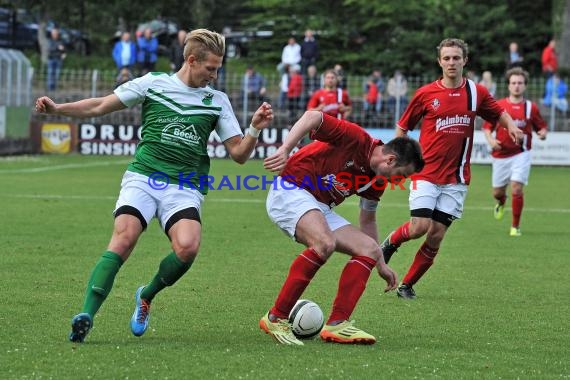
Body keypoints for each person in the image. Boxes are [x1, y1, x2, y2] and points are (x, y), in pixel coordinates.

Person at [34, 28, 274, 343]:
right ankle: (86, 317)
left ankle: (146, 295)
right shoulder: (153, 84)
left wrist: (254, 129)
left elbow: (239, 155)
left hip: (185, 185)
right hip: (144, 177)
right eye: (211, 68)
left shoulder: (216, 101)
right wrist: (58, 110)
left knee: (187, 247)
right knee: (124, 237)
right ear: (192, 60)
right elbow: (99, 106)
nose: (215, 75)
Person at [259, 110, 425, 345]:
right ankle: (276, 317)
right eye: (402, 175)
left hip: (320, 206)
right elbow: (312, 117)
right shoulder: (355, 139)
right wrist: (286, 148)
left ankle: (337, 325)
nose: (399, 181)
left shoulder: (377, 180)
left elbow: (368, 220)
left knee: (369, 249)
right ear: (390, 160)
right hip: (291, 189)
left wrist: (380, 263)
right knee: (324, 242)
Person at [379, 38, 523, 299]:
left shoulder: (476, 92)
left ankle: (407, 285)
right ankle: (390, 243)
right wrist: (398, 156)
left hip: (456, 178)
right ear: (439, 61)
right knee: (419, 227)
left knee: (435, 236)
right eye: (447, 58)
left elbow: (498, 112)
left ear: (465, 60)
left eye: (456, 58)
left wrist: (511, 126)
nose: (451, 62)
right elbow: (403, 125)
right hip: (426, 173)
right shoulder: (426, 94)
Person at [482, 67, 547, 237]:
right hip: (500, 155)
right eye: (513, 83)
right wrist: (491, 141)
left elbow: (542, 127)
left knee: (517, 188)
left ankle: (515, 226)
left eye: (520, 83)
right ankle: (501, 201)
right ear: (509, 85)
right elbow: (487, 128)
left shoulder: (531, 108)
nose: (516, 86)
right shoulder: (499, 106)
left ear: (525, 86)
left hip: (521, 153)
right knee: (497, 192)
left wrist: (542, 133)